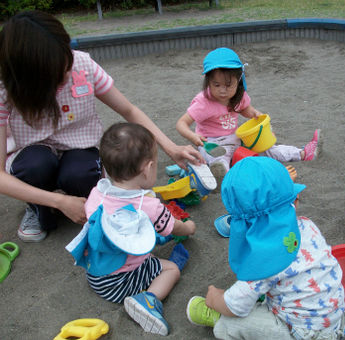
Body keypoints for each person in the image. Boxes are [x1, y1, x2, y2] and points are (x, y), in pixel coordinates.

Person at [0, 11, 202, 243]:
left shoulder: (81, 64)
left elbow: (129, 110)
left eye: (67, 61)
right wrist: (59, 201)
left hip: (77, 149)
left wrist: (171, 147)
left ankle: (75, 198)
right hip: (33, 153)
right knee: (34, 165)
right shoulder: (6, 88)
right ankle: (39, 208)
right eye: (57, 72)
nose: (68, 72)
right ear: (30, 78)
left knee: (82, 172)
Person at [186, 157, 345, 340]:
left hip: (303, 334)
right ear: (295, 200)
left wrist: (215, 299)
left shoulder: (263, 259)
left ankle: (216, 318)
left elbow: (235, 306)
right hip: (338, 321)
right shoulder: (308, 226)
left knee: (228, 324)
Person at [66, 122, 196, 336]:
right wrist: (189, 227)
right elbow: (174, 228)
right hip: (121, 282)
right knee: (171, 269)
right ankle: (147, 300)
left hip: (96, 274)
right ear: (147, 170)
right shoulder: (149, 206)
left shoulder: (96, 194)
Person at [176, 47, 321, 185]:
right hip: (212, 143)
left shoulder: (237, 96)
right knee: (219, 159)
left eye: (228, 85)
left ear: (238, 81)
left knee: (267, 147)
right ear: (208, 82)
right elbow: (181, 123)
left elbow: (245, 109)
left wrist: (255, 114)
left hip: (236, 137)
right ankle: (224, 178)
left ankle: (302, 154)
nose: (222, 90)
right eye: (216, 85)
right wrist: (192, 136)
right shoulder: (204, 102)